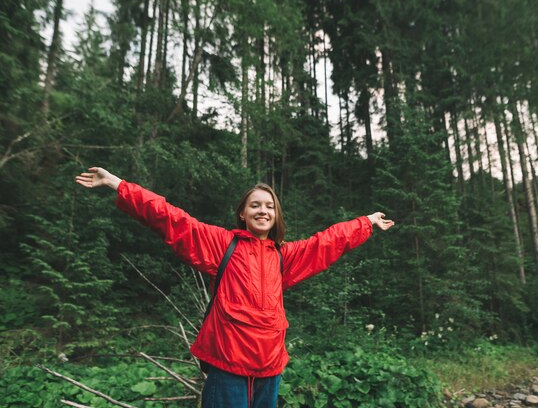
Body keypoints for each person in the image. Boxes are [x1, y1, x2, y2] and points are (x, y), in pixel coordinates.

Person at [75, 167, 394, 408]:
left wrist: (365, 222)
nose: (262, 211)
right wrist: (118, 184)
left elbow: (327, 242)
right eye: (255, 205)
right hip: (228, 367)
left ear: (276, 215)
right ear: (243, 213)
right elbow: (170, 218)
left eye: (269, 206)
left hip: (269, 368)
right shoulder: (220, 244)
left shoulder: (285, 255)